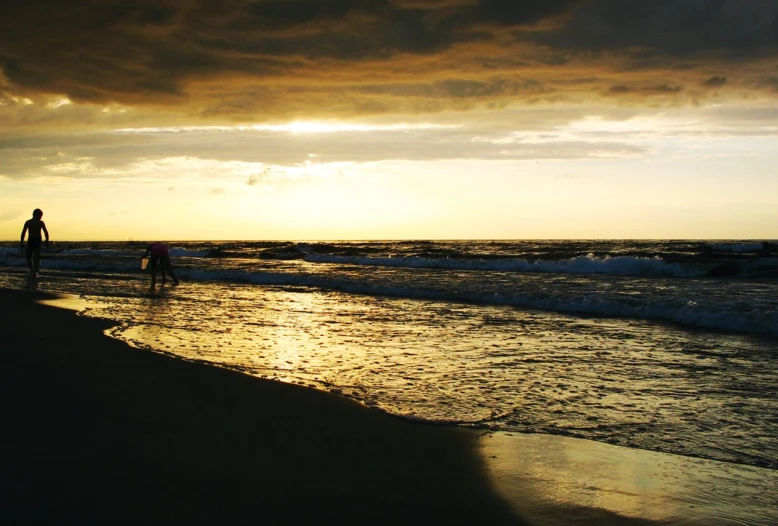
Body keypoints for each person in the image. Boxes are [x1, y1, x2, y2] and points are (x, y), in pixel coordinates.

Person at [20, 208, 50, 278]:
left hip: (36, 241)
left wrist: (47, 242)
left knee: (34, 257)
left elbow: (46, 232)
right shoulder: (32, 222)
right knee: (31, 257)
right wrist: (47, 242)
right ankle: (33, 271)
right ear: (36, 214)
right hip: (32, 241)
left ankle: (34, 271)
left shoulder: (35, 222)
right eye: (40, 215)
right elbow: (23, 233)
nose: (41, 217)